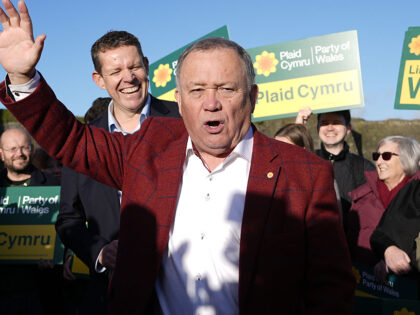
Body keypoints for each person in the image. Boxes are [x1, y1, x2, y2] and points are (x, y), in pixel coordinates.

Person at [0, 1, 355, 314]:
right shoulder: (149, 148)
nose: (210, 102)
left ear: (253, 96)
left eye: (226, 89)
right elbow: (70, 140)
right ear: (180, 102)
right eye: (197, 90)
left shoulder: (306, 175)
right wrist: (22, 77)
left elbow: (331, 291)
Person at [55, 31, 180, 313]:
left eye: (134, 66)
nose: (129, 77)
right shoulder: (83, 141)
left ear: (146, 65)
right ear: (99, 80)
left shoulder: (184, 121)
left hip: (183, 288)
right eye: (115, 71)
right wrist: (99, 252)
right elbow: (68, 219)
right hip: (111, 295)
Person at [0, 127, 60, 315]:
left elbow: (67, 228)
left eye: (24, 147)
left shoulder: (53, 185)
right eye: (12, 149)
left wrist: (56, 254)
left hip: (41, 289)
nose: (19, 153)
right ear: (1, 154)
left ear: (32, 149)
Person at [296, 107, 375, 229]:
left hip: (352, 243)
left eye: (336, 122)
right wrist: (298, 129)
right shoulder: (306, 161)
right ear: (317, 129)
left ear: (348, 129)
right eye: (324, 123)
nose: (330, 127)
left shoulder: (364, 167)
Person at [348, 136, 420, 267]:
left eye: (386, 156)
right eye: (377, 156)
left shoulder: (416, 196)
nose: (379, 161)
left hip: (408, 281)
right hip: (366, 281)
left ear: (406, 159)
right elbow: (349, 243)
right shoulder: (361, 197)